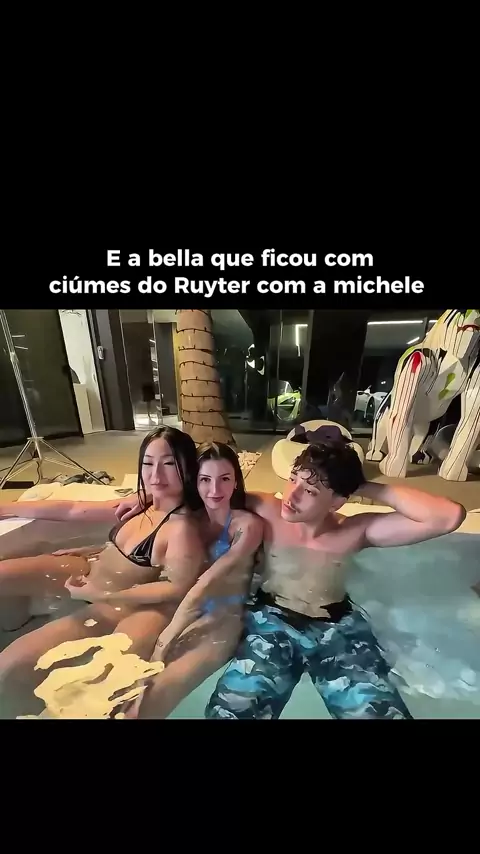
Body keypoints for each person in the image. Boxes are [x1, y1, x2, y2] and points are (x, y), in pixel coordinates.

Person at [203, 442, 466, 719]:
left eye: (310, 490)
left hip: (337, 630)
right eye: (293, 479)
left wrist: (361, 485)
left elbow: (448, 517)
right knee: (231, 711)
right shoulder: (267, 509)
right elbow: (207, 499)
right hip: (272, 623)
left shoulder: (353, 531)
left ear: (338, 501)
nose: (292, 495)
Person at [0, 426, 207, 718]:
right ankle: (14, 620)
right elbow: (72, 509)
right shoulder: (141, 504)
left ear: (187, 468)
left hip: (112, 604)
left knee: (13, 662)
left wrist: (101, 594)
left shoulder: (181, 530)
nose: (155, 475)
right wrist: (6, 508)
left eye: (169, 463)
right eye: (148, 463)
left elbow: (177, 588)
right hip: (90, 570)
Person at [124, 441, 263, 719]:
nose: (214, 490)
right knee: (121, 686)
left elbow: (204, 585)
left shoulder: (246, 526)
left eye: (224, 479)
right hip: (181, 610)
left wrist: (163, 643)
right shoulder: (189, 521)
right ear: (194, 482)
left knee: (150, 699)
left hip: (221, 620)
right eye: (205, 479)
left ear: (236, 481)